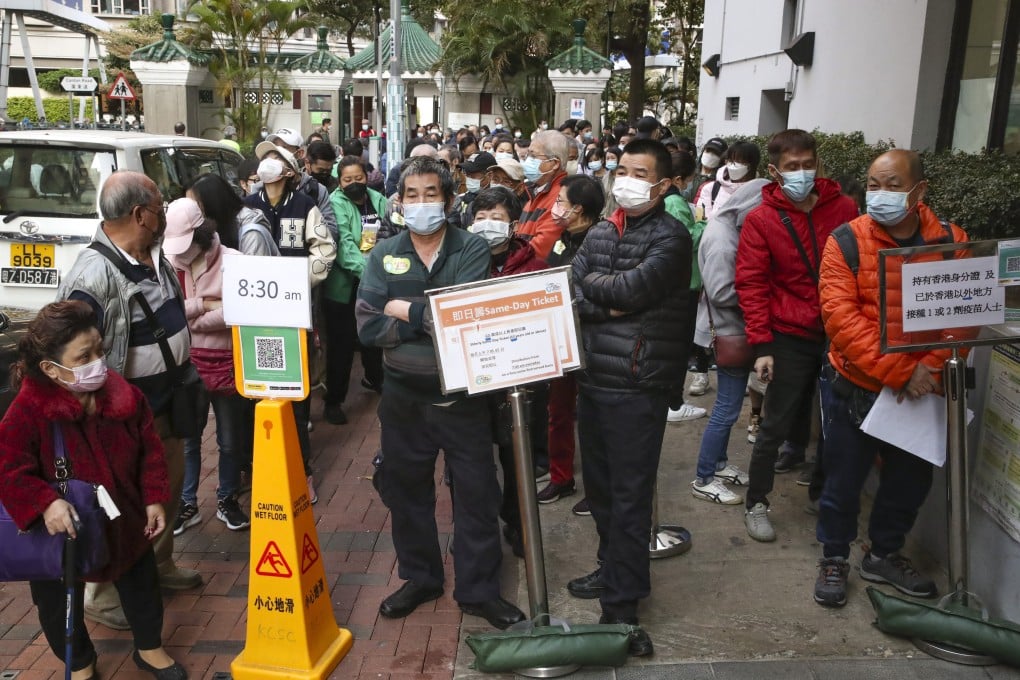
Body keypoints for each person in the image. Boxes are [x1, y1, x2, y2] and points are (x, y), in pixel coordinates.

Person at [356, 156, 526, 630]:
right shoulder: (383, 252)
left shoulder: (470, 248)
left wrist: (402, 308)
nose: (422, 203)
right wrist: (424, 316)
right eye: (412, 195)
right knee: (406, 492)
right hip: (402, 398)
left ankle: (479, 591)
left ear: (449, 201)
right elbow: (368, 325)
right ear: (399, 203)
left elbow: (461, 318)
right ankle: (421, 577)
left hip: (461, 398)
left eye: (432, 194)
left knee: (477, 495)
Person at [0, 301, 188, 680]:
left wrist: (153, 496)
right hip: (62, 529)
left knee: (141, 581)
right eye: (84, 356)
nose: (98, 362)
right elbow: (8, 470)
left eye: (99, 349)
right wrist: (45, 502)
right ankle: (82, 662)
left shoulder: (121, 394)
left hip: (124, 517)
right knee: (57, 602)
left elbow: (150, 447)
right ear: (51, 369)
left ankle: (150, 648)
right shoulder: (27, 410)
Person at [813, 149, 961, 607]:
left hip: (923, 391)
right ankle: (834, 557)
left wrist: (929, 368)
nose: (879, 195)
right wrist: (901, 371)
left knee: (908, 484)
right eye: (873, 184)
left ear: (919, 191)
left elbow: (963, 310)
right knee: (842, 482)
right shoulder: (846, 241)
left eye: (892, 185)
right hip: (855, 386)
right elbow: (840, 318)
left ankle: (884, 554)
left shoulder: (952, 242)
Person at [56, 171, 202, 631]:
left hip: (166, 405)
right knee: (116, 505)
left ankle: (159, 566)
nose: (164, 213)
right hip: (120, 418)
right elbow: (70, 356)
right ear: (140, 214)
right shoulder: (92, 275)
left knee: (166, 491)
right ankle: (101, 594)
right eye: (160, 206)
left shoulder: (152, 254)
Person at [567, 139, 691, 657]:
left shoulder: (673, 236)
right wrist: (605, 301)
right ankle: (610, 566)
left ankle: (622, 606)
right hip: (593, 377)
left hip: (639, 383)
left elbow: (634, 291)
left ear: (663, 185)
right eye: (622, 170)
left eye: (641, 173)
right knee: (598, 490)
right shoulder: (599, 230)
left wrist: (604, 295)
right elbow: (573, 294)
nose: (628, 180)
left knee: (630, 495)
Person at [735, 129, 858, 542]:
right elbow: (752, 284)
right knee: (776, 423)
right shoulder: (761, 219)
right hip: (788, 334)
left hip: (841, 332)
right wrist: (763, 346)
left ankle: (822, 492)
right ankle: (756, 501)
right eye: (792, 167)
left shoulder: (844, 209)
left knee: (836, 421)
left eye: (808, 164)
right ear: (774, 171)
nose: (802, 173)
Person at [244, 152, 336, 503]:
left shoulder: (305, 204)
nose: (268, 163)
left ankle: (302, 470)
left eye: (275, 158)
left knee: (295, 392)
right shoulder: (249, 204)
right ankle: (260, 469)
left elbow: (324, 251)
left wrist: (297, 280)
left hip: (294, 314)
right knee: (260, 391)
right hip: (256, 315)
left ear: (289, 171)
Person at [466, 186, 548, 556]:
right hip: (474, 378)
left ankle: (518, 524)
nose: (487, 225)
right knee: (473, 460)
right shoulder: (460, 263)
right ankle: (478, 530)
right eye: (480, 217)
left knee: (518, 457)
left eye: (496, 218)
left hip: (521, 379)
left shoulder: (534, 264)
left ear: (513, 224)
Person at [163, 198, 251, 534]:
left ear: (203, 233)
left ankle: (227, 498)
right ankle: (188, 503)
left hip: (227, 364)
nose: (181, 254)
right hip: (186, 365)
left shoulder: (234, 262)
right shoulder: (169, 264)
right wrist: (205, 304)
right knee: (188, 438)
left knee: (230, 439)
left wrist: (192, 317)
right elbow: (168, 312)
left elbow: (237, 312)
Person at [689, 178, 770, 505]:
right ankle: (704, 477)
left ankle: (719, 465)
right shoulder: (724, 239)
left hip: (728, 329)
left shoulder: (726, 227)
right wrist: (763, 294)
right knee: (725, 408)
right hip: (728, 331)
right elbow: (723, 292)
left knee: (729, 406)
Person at [537, 175, 605, 509]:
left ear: (578, 208)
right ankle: (560, 477)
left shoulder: (605, 240)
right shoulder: (560, 238)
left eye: (561, 201)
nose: (555, 206)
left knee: (595, 419)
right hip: (560, 339)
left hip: (596, 343)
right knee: (558, 412)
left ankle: (598, 490)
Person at [321, 155, 386, 425]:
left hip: (377, 282)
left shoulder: (379, 199)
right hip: (344, 287)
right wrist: (369, 273)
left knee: (375, 337)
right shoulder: (337, 202)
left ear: (366, 176)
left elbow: (390, 231)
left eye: (358, 178)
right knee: (342, 346)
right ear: (339, 180)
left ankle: (375, 379)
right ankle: (334, 401)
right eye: (347, 179)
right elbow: (344, 244)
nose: (354, 183)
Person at [663, 150, 708, 423]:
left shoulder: (664, 199)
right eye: (691, 179)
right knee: (679, 346)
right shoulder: (676, 203)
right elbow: (686, 239)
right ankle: (674, 403)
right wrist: (703, 223)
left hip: (674, 282)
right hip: (684, 282)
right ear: (679, 179)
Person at [518, 130, 570, 259]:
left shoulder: (561, 198)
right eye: (528, 155)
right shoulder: (534, 192)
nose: (528, 160)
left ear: (555, 163)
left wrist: (511, 261)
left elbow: (541, 249)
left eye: (534, 156)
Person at [696, 140, 761, 222]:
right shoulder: (710, 188)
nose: (732, 165)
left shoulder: (758, 194)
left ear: (751, 166)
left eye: (739, 161)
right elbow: (698, 219)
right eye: (730, 161)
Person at [689, 137, 726, 202]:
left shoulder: (720, 181)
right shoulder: (689, 170)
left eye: (716, 153)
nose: (710, 155)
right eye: (708, 151)